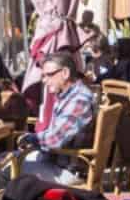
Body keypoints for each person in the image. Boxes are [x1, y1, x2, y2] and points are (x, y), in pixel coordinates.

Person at [19, 54, 100, 184]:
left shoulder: (79, 100)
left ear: (65, 73)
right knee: (8, 159)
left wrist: (29, 138)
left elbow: (54, 140)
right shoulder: (69, 95)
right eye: (43, 76)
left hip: (69, 172)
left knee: (7, 169)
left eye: (49, 75)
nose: (44, 80)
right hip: (58, 161)